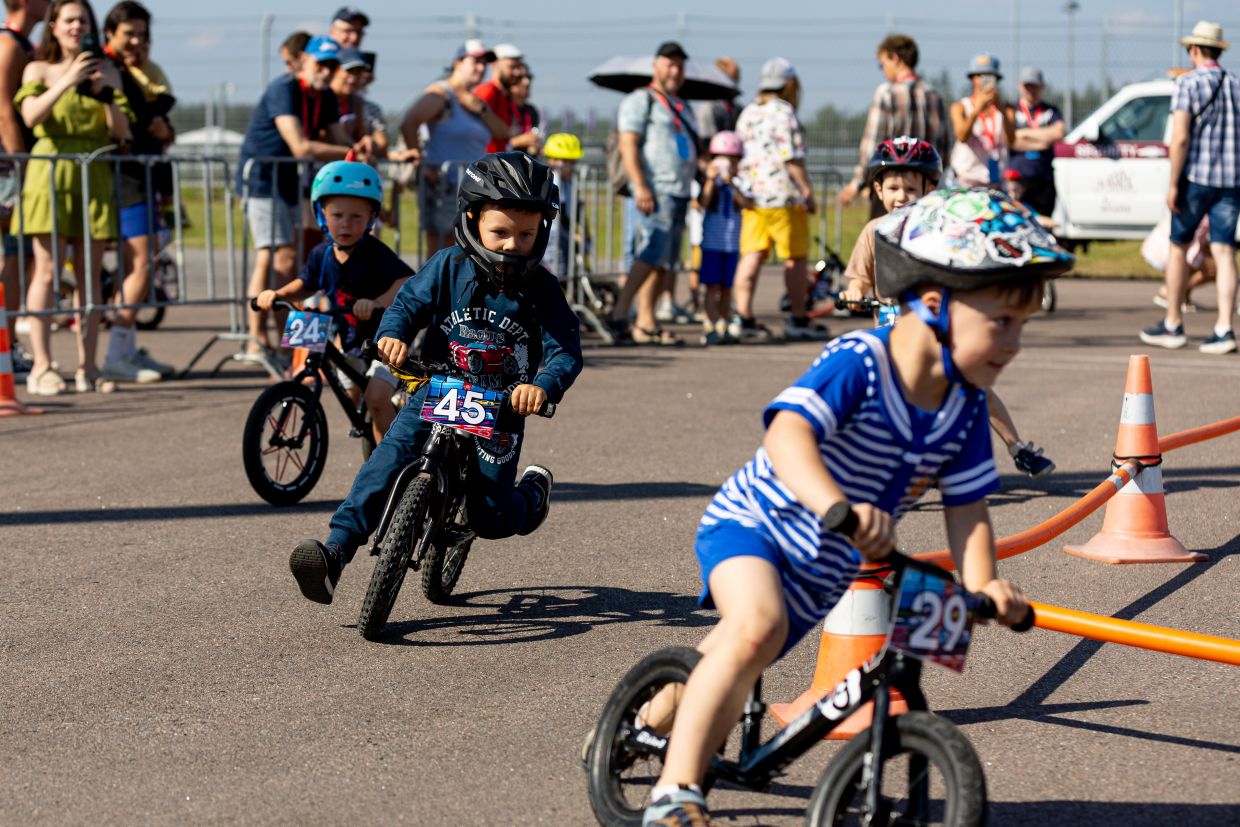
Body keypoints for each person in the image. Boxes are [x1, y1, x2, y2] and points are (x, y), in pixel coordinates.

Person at [637, 187, 1073, 824]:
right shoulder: (861, 362)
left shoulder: (965, 408)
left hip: (828, 568)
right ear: (934, 302)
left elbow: (967, 508)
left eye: (1022, 326)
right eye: (1001, 321)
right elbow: (787, 434)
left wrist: (984, 584)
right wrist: (835, 505)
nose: (1014, 342)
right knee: (754, 629)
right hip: (759, 525)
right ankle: (674, 793)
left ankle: (642, 724)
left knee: (735, 655)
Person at [287, 152, 583, 605]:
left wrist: (541, 387)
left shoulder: (542, 287)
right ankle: (335, 553)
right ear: (472, 219)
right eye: (501, 232)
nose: (511, 245)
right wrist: (392, 336)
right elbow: (407, 305)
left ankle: (531, 497)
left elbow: (565, 350)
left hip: (501, 406)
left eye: (525, 234)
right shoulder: (448, 266)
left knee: (491, 518)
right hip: (439, 390)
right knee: (384, 464)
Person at [840, 137, 1057, 479]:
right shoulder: (875, 232)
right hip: (891, 335)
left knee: (973, 384)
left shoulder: (940, 229)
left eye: (911, 188)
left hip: (938, 327)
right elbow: (859, 278)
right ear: (878, 190)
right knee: (881, 395)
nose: (901, 196)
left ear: (929, 189)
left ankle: (1018, 448)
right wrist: (854, 291)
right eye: (893, 188)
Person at [17, 0, 132, 396]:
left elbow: (121, 132)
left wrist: (105, 95)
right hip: (49, 171)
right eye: (68, 19)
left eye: (83, 20)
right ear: (53, 26)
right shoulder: (37, 69)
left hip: (93, 172)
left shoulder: (109, 71)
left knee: (89, 273)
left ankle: (89, 365)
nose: (76, 26)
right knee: (47, 271)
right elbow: (31, 116)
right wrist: (68, 79)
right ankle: (42, 365)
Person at [255, 161, 409, 443]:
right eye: (337, 215)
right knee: (350, 399)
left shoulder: (375, 253)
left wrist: (376, 302)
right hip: (351, 340)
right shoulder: (322, 253)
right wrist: (277, 295)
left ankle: (393, 457)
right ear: (322, 214)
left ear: (371, 218)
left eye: (356, 216)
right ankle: (378, 436)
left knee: (375, 399)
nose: (346, 223)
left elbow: (406, 282)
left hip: (386, 341)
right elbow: (305, 284)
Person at [237, 34, 363, 363]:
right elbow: (301, 147)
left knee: (294, 259)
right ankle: (261, 341)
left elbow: (342, 140)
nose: (326, 70)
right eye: (321, 63)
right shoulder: (284, 89)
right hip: (263, 180)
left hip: (291, 183)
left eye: (332, 65)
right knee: (274, 257)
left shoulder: (326, 96)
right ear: (303, 60)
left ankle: (290, 347)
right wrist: (352, 152)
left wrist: (360, 149)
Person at [1141, 20, 1240, 355]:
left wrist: (1173, 183)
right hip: (1231, 182)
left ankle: (1173, 323)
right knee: (1225, 252)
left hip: (1196, 178)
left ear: (1195, 50)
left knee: (1179, 247)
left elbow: (1180, 137)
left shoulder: (1188, 83)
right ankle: (1224, 328)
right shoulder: (1236, 85)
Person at [99, 0, 176, 384]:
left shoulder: (143, 71)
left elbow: (162, 124)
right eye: (129, 34)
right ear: (110, 33)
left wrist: (164, 129)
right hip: (126, 176)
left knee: (138, 265)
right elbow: (137, 123)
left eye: (143, 35)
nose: (137, 42)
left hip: (145, 176)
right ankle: (116, 353)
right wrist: (155, 126)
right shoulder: (107, 67)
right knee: (141, 263)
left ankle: (125, 349)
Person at [605, 41, 698, 346]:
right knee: (650, 252)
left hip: (680, 189)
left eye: (680, 65)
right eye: (669, 64)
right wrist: (641, 185)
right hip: (656, 189)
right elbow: (628, 143)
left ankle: (647, 321)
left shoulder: (683, 106)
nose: (675, 71)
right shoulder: (640, 100)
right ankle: (620, 312)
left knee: (663, 261)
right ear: (655, 66)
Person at [727, 57, 824, 341]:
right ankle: (798, 317)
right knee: (794, 258)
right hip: (784, 198)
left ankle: (743, 317)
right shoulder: (784, 112)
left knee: (751, 256)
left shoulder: (748, 112)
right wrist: (807, 192)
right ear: (789, 84)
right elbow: (791, 158)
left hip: (753, 199)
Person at [400, 39, 509, 255]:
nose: (481, 68)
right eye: (475, 61)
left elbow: (503, 133)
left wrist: (482, 109)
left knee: (468, 250)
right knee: (446, 251)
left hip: (472, 189)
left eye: (484, 63)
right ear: (458, 63)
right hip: (445, 187)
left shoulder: (474, 100)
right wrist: (421, 164)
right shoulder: (441, 94)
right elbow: (409, 122)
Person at [839, 33, 950, 207]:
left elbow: (873, 144)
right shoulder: (934, 95)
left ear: (895, 59)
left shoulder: (886, 93)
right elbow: (945, 148)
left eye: (882, 64)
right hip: (924, 187)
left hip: (891, 182)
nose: (883, 70)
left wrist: (857, 184)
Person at [0, 0, 47, 380]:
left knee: (19, 256)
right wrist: (22, 164)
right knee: (14, 255)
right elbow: (3, 109)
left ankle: (9, 343)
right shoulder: (9, 44)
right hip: (8, 170)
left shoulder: (24, 43)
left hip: (12, 167)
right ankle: (7, 345)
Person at [697, 130, 749, 345]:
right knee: (711, 287)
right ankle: (709, 324)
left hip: (731, 245)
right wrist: (711, 180)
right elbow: (703, 203)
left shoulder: (739, 183)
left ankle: (724, 324)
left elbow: (747, 203)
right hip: (712, 244)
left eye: (732, 161)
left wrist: (732, 182)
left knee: (727, 288)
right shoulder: (711, 183)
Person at [949, 54, 1015, 189]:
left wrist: (1000, 108)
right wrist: (976, 110)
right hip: (965, 182)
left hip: (995, 184)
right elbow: (962, 136)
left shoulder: (1007, 110)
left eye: (990, 76)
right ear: (972, 78)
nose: (985, 80)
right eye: (980, 75)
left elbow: (1011, 140)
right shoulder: (960, 107)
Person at [1006, 66, 1064, 218]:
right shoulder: (1011, 110)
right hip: (1017, 179)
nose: (1031, 90)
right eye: (1027, 86)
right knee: (1017, 220)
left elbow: (1058, 133)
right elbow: (1010, 140)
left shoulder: (1051, 111)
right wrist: (1042, 141)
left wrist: (1023, 133)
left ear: (1042, 86)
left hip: (1043, 179)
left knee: (1044, 222)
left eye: (1034, 86)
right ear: (1020, 86)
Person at [474, 43, 540, 155]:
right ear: (495, 65)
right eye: (512, 67)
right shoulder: (488, 91)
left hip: (496, 160)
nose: (517, 73)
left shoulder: (504, 97)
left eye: (518, 67)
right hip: (485, 160)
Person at [541, 132, 586, 280]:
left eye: (573, 162)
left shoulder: (569, 181)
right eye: (566, 162)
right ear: (552, 160)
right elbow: (560, 214)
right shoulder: (554, 181)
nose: (570, 167)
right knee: (556, 273)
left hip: (561, 235)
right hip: (551, 236)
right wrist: (573, 234)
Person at [508, 72, 541, 155]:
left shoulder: (531, 110)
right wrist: (519, 141)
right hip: (504, 159)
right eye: (521, 79)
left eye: (528, 78)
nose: (527, 82)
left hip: (526, 159)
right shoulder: (503, 108)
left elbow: (535, 134)